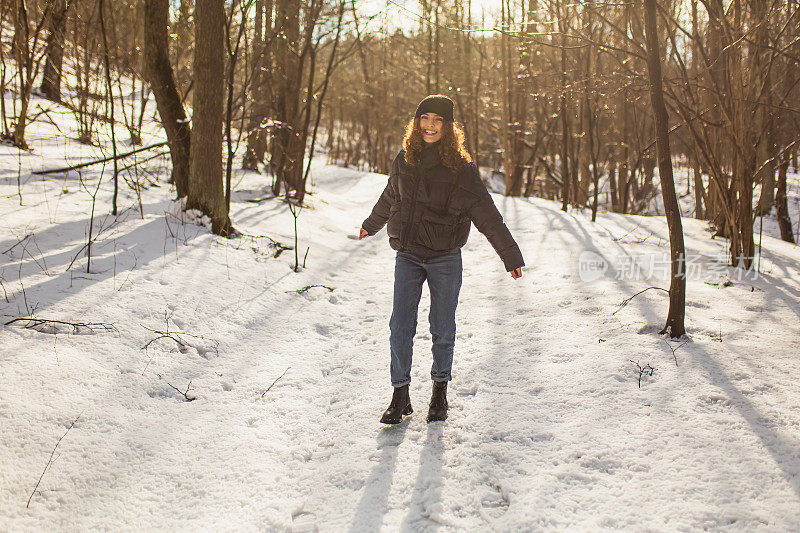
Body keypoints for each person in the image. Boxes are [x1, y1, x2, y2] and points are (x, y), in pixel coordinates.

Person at [359, 94, 524, 425]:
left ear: (448, 128)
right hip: (407, 254)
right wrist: (370, 225)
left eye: (438, 120)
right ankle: (400, 394)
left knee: (442, 326)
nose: (430, 125)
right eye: (425, 118)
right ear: (417, 122)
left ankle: (439, 393)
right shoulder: (404, 159)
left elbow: (487, 214)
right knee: (400, 326)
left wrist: (510, 256)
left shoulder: (460, 170)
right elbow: (392, 194)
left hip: (444, 258)